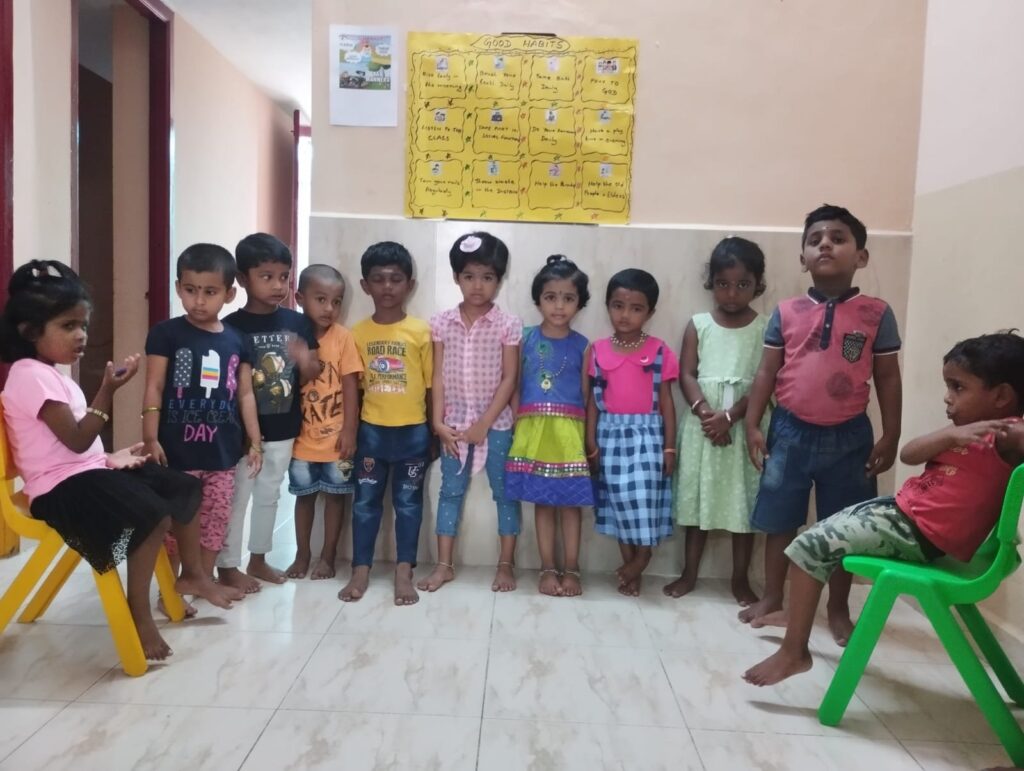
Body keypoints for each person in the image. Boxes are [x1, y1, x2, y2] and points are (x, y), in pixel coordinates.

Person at [744, 332, 1024, 686]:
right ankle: (796, 620)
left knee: (808, 546)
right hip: (901, 514)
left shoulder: (1008, 434)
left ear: (1001, 396)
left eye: (958, 387)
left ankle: (794, 652)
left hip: (918, 533)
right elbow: (909, 454)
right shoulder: (965, 430)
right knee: (816, 537)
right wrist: (951, 435)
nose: (947, 397)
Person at [0, 261, 237, 661]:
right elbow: (76, 441)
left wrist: (110, 457)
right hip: (57, 491)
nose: (81, 335)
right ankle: (138, 612)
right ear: (29, 331)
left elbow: (67, 446)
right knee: (150, 513)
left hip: (83, 473)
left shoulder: (51, 375)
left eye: (83, 325)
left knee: (182, 485)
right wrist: (107, 392)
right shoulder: (29, 375)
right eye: (68, 326)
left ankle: (193, 574)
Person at [741, 205, 903, 646]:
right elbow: (766, 372)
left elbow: (888, 377)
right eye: (815, 240)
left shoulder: (876, 314)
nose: (825, 245)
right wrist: (753, 424)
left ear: (861, 256)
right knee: (779, 520)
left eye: (838, 238)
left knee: (844, 528)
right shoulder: (787, 311)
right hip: (789, 433)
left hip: (850, 438)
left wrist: (891, 434)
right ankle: (772, 597)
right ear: (803, 258)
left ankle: (837, 608)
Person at [142, 244, 263, 611]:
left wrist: (255, 441)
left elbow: (245, 394)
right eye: (190, 290)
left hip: (222, 453)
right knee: (175, 526)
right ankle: (170, 592)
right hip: (176, 454)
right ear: (178, 288)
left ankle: (203, 580)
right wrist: (150, 437)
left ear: (229, 294)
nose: (198, 301)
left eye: (210, 292)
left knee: (215, 520)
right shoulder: (166, 334)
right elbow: (154, 387)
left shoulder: (237, 341)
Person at [664, 237, 769, 605]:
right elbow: (686, 373)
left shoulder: (766, 328)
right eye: (723, 283)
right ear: (711, 283)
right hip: (702, 427)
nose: (732, 293)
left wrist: (730, 416)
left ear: (758, 284)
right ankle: (689, 573)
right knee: (698, 504)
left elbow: (765, 380)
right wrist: (706, 413)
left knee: (743, 506)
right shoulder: (699, 325)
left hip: (745, 427)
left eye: (743, 284)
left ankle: (740, 579)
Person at [420, 232, 522, 593]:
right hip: (453, 426)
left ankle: (505, 565)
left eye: (487, 277)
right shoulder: (441, 322)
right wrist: (437, 422)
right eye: (469, 276)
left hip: (497, 425)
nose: (478, 285)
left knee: (505, 494)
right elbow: (437, 376)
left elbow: (510, 378)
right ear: (456, 277)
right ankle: (443, 565)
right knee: (450, 493)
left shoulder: (508, 324)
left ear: (499, 280)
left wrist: (484, 423)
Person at [217, 233, 320, 592]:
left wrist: (305, 359)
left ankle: (258, 559)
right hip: (241, 432)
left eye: (284, 277)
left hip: (283, 427)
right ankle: (227, 566)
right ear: (243, 279)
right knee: (237, 498)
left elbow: (312, 371)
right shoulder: (230, 326)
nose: (278, 285)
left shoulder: (297, 322)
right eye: (267, 277)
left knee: (270, 494)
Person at [346, 242, 433, 605]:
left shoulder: (421, 332)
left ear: (409, 285)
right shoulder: (356, 334)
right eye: (378, 279)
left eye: (395, 279)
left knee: (408, 504)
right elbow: (353, 388)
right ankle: (360, 569)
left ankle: (404, 570)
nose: (387, 287)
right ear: (364, 285)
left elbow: (431, 386)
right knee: (365, 502)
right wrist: (350, 433)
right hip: (371, 433)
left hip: (413, 434)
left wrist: (433, 431)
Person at [586, 268, 678, 596]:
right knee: (618, 503)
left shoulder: (659, 350)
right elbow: (593, 402)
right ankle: (632, 569)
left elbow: (666, 402)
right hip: (609, 436)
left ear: (649, 312)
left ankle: (642, 558)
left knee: (643, 500)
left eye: (636, 308)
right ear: (608, 306)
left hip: (648, 437)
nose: (625, 315)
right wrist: (590, 443)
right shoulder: (597, 350)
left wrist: (670, 447)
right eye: (618, 306)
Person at [505, 256, 593, 596]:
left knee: (570, 504)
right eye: (551, 297)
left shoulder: (583, 345)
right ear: (538, 299)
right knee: (542, 502)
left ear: (579, 303)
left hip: (569, 433)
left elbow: (586, 396)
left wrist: (587, 439)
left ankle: (572, 568)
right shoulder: (524, 338)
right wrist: (517, 423)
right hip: (533, 430)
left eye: (568, 298)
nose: (559, 306)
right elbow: (513, 384)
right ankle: (547, 568)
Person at [285, 264, 362, 581]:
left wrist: (350, 431)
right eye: (321, 299)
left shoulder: (343, 338)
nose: (329, 308)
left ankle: (328, 556)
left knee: (335, 498)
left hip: (337, 440)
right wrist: (302, 360)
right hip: (302, 439)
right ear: (300, 298)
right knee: (303, 498)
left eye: (336, 301)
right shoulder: (293, 336)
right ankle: (302, 554)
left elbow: (351, 387)